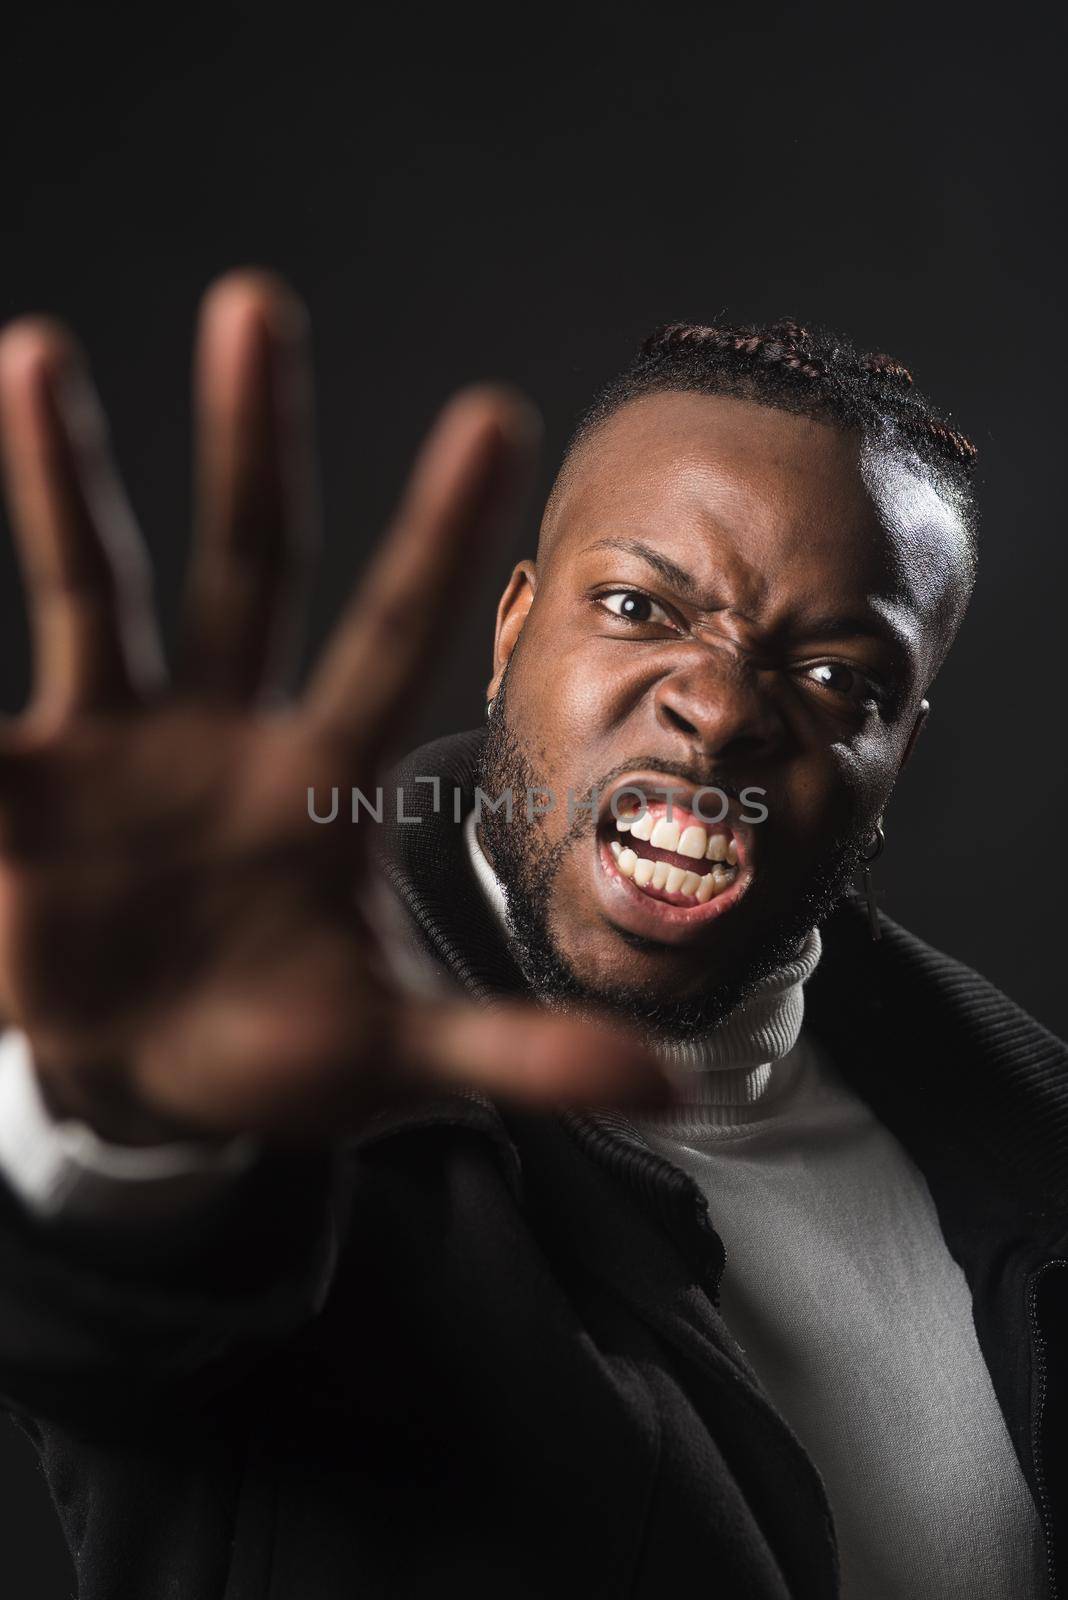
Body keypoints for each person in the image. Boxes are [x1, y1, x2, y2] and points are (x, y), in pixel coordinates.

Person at [0, 272, 1061, 1600]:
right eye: (639, 608)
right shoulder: (314, 1115)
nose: (722, 711)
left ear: (895, 753)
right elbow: (105, 1320)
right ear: (512, 634)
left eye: (839, 676)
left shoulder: (1028, 1143)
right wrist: (121, 1120)